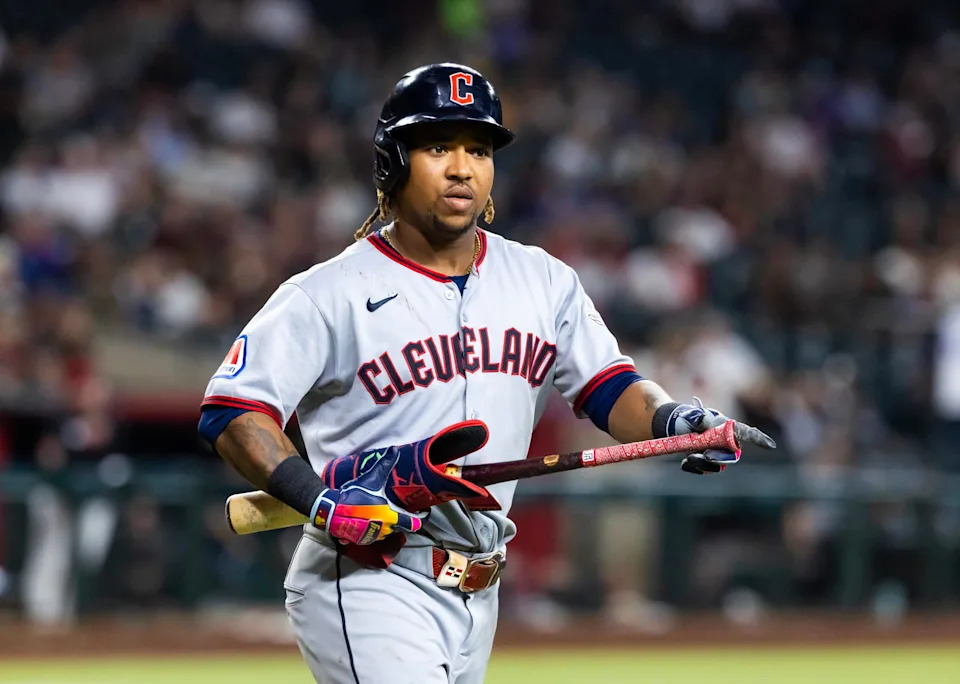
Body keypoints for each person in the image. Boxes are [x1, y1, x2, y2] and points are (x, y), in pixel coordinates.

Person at [198, 63, 774, 684]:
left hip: (480, 586)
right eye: (437, 146)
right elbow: (233, 411)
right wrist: (319, 502)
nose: (461, 167)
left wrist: (674, 417)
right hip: (370, 576)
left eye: (479, 148)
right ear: (392, 163)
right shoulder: (328, 293)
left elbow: (609, 387)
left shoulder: (542, 279)